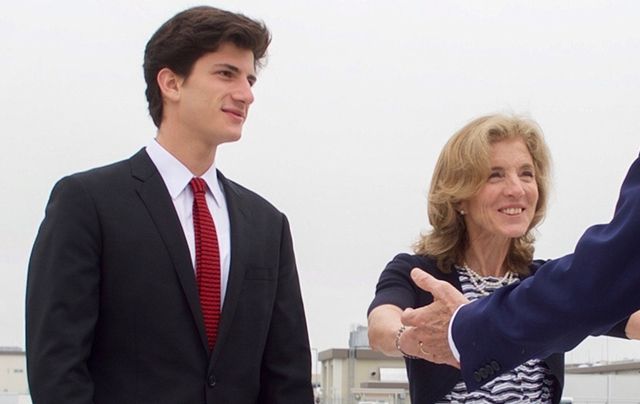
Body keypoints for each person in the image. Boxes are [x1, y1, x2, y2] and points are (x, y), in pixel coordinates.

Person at [25, 6, 313, 404]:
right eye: (226, 73)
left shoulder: (268, 224)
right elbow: (57, 369)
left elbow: (288, 376)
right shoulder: (87, 203)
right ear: (171, 83)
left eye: (249, 79)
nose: (246, 94)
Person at [368, 114, 640, 403]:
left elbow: (627, 315)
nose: (517, 189)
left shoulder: (544, 283)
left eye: (526, 174)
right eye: (495, 175)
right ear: (459, 196)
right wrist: (406, 338)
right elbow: (380, 325)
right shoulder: (420, 273)